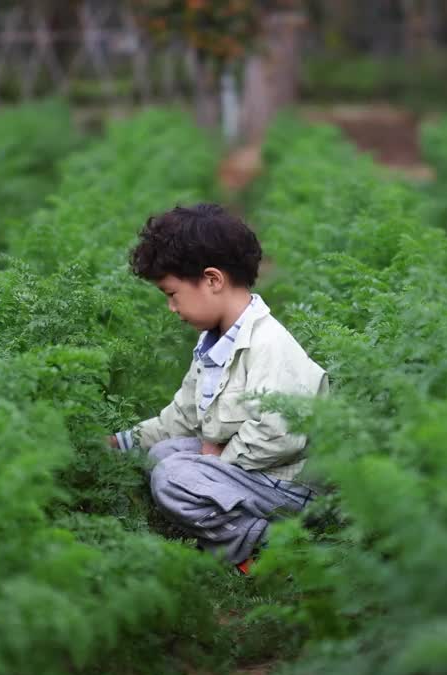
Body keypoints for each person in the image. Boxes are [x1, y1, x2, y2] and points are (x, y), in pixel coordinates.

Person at [108, 203, 327, 574]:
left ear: (212, 280)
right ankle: (238, 532)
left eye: (172, 294)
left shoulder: (269, 344)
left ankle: (266, 546)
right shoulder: (215, 343)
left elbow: (280, 433)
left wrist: (216, 460)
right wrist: (121, 443)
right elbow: (182, 417)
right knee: (162, 453)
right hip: (255, 473)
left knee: (172, 478)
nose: (171, 308)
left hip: (288, 488)